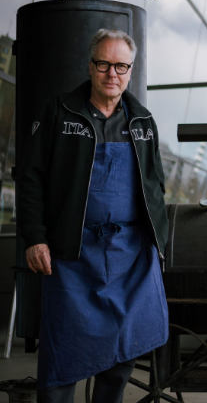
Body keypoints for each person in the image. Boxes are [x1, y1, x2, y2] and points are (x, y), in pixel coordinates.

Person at [18, 29, 169, 402]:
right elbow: (30, 177)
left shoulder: (143, 122)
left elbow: (155, 185)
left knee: (123, 352)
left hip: (129, 255)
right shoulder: (60, 111)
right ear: (91, 66)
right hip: (71, 254)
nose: (111, 73)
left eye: (120, 66)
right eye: (103, 64)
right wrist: (35, 236)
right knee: (61, 358)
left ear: (130, 71)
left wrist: (158, 243)